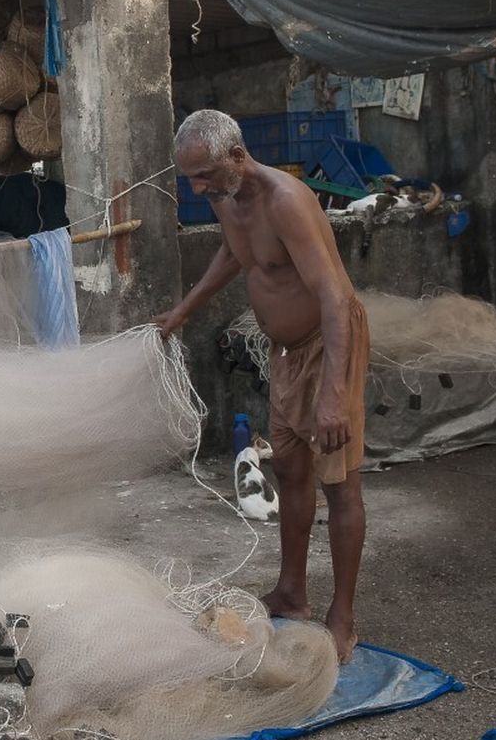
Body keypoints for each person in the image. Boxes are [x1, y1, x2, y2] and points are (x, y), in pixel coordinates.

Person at [153, 110, 370, 664]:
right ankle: (292, 592)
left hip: (329, 344)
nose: (197, 189)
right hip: (286, 352)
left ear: (237, 156)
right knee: (291, 470)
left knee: (339, 483)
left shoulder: (286, 201)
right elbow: (235, 253)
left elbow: (334, 298)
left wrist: (333, 394)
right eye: (190, 179)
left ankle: (342, 618)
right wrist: (183, 310)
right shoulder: (225, 196)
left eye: (203, 176)